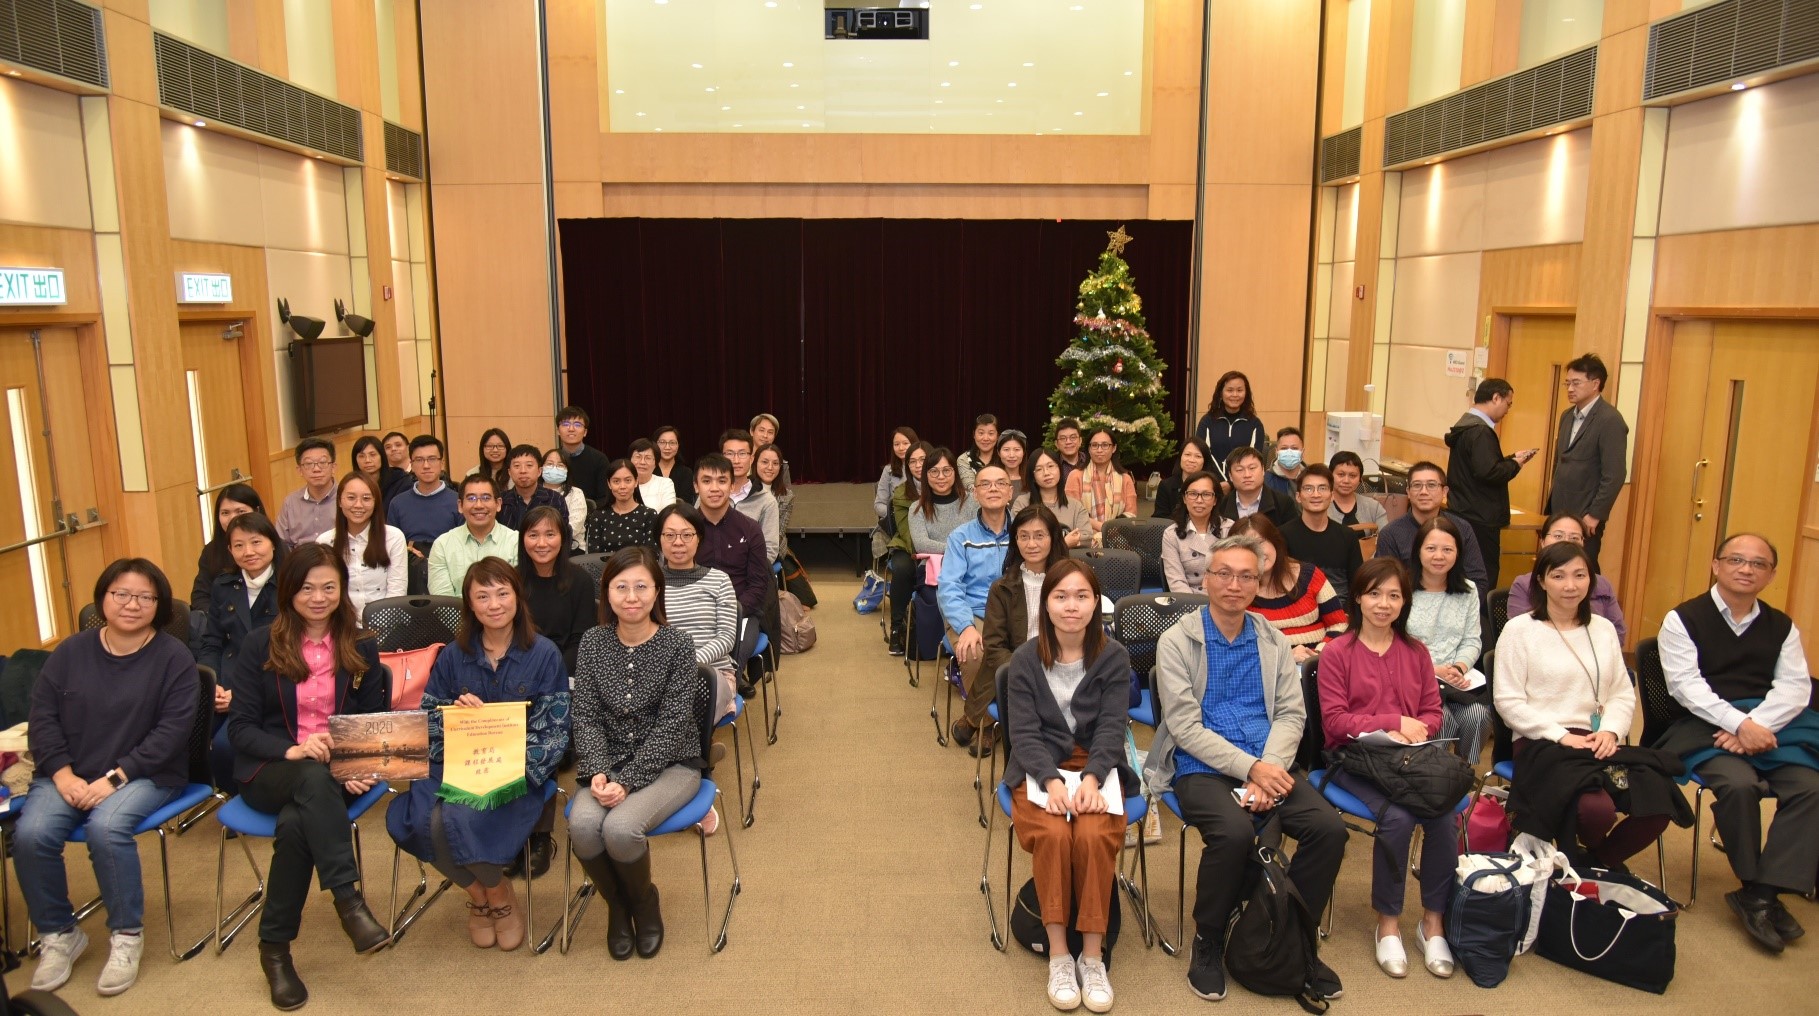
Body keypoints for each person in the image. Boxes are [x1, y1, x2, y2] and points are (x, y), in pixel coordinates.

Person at [1143, 533, 1346, 1003]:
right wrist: (1252, 769)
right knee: (1234, 834)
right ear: (1207, 579)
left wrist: (1269, 768)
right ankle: (1209, 940)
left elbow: (1292, 714)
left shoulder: (1272, 637)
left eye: (1246, 576)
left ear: (1258, 584)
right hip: (1202, 766)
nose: (1234, 584)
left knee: (1328, 830)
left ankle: (1292, 937)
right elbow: (1185, 727)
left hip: (1270, 761)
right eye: (1224, 574)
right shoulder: (1178, 640)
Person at [18, 559, 198, 996]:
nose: (132, 604)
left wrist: (114, 780)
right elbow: (42, 718)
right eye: (121, 594)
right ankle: (60, 934)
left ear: (159, 605)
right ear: (103, 598)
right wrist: (61, 775)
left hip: (147, 774)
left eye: (145, 597)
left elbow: (172, 734)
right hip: (70, 772)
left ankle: (126, 935)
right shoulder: (70, 652)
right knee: (31, 833)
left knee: (106, 826)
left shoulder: (174, 658)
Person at [224, 544, 392, 1009]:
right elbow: (239, 728)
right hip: (270, 770)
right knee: (310, 781)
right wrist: (292, 748)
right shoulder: (261, 643)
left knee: (299, 822)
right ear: (288, 590)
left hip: (329, 774)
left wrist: (354, 764)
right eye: (306, 588)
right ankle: (348, 901)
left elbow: (371, 719)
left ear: (342, 589)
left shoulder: (360, 644)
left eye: (328, 587)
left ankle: (274, 949)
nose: (318, 597)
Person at [386, 557, 569, 952]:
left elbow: (554, 733)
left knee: (457, 817)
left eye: (503, 593)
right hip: (455, 762)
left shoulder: (544, 654)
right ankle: (488, 891)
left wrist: (510, 769)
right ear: (469, 604)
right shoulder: (453, 655)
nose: (494, 603)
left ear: (518, 598)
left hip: (515, 770)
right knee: (420, 821)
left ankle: (497, 900)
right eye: (482, 595)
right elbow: (429, 719)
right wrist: (456, 718)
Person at [1656, 534, 1818, 954]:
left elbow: (1796, 688)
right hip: (1705, 725)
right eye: (1736, 560)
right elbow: (1685, 687)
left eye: (1758, 564)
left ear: (1771, 574)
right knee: (1738, 785)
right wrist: (1738, 724)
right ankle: (1753, 884)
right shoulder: (1682, 618)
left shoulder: (1782, 625)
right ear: (1716, 565)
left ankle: (1761, 894)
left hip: (1772, 725)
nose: (1746, 569)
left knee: (1810, 787)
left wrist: (1756, 725)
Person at [1494, 542, 1681, 870]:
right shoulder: (1520, 631)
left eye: (1580, 575)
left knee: (1659, 799)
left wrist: (1610, 730)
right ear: (1541, 581)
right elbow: (1508, 702)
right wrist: (1560, 735)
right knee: (1596, 810)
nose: (1570, 585)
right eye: (1559, 575)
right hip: (1542, 742)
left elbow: (1622, 693)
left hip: (1598, 741)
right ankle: (1594, 860)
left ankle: (1595, 862)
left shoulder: (1603, 629)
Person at [1001, 559, 1134, 1013]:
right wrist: (1051, 780)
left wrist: (1094, 776)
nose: (1071, 606)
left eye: (1081, 596)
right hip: (1038, 766)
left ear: (1096, 602)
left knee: (1094, 834)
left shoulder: (1113, 656)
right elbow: (1023, 733)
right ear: (1046, 602)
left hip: (1097, 764)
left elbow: (1113, 728)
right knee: (1056, 834)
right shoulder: (1025, 659)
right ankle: (1060, 953)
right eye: (1060, 597)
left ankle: (1092, 956)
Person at [1316, 557, 1456, 980]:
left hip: (1409, 760)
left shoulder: (1416, 652)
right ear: (1357, 598)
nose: (1383, 604)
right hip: (1354, 762)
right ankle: (1388, 923)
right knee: (1397, 818)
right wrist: (1392, 723)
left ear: (1404, 602)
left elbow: (1433, 711)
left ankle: (1433, 921)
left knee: (1445, 815)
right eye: (1374, 594)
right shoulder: (1338, 651)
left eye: (1394, 595)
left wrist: (1417, 730)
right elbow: (1335, 722)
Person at [569, 547, 710, 960]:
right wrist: (597, 769)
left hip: (671, 764)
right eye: (621, 587)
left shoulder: (678, 645)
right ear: (607, 594)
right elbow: (587, 717)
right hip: (606, 764)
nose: (631, 597)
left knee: (619, 829)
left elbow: (673, 727)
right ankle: (618, 906)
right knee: (582, 826)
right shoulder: (593, 642)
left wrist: (627, 781)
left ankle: (644, 904)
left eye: (641, 587)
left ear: (657, 592)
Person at [1404, 516, 1491, 766]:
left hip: (1455, 680)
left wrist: (1459, 667)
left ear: (1458, 553)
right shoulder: (1401, 588)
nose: (1439, 556)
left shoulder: (1469, 590)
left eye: (1447, 549)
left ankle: (1463, 770)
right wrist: (1432, 670)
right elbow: (1393, 644)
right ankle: (1435, 774)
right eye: (1431, 548)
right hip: (1414, 679)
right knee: (1443, 720)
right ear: (1418, 551)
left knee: (1479, 715)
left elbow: (1472, 639)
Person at [940, 464, 1013, 756]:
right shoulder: (960, 537)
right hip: (974, 614)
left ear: (1011, 491)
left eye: (1000, 483)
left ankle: (971, 718)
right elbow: (949, 588)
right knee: (975, 654)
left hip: (1014, 615)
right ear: (975, 493)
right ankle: (988, 725)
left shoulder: (1025, 533)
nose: (993, 489)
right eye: (985, 484)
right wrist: (966, 626)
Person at [1444, 378, 1537, 590]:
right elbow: (1489, 472)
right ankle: (1482, 622)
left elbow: (1480, 466)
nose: (1508, 410)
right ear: (1496, 398)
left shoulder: (1466, 426)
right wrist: (1516, 465)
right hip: (1480, 517)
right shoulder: (1480, 431)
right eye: (1508, 403)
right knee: (1483, 576)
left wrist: (1511, 458)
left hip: (1463, 510)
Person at [655, 503, 740, 723]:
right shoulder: (649, 582)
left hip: (712, 673)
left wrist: (688, 662)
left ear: (699, 538)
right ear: (659, 539)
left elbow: (727, 637)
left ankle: (689, 754)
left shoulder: (719, 580)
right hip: (660, 672)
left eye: (686, 535)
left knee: (680, 704)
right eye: (670, 535)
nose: (678, 542)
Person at [1546, 353, 1628, 573]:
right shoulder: (1566, 416)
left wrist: (1595, 514)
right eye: (1567, 383)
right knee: (1555, 566)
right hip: (1560, 510)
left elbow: (1615, 474)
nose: (1570, 388)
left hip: (1585, 513)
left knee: (1583, 567)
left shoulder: (1610, 420)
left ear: (1595, 384)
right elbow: (1560, 463)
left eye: (1576, 383)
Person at [1231, 514, 1346, 663]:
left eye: (1260, 542)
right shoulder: (1236, 589)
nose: (1257, 552)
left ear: (1274, 541)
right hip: (1270, 673)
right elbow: (1237, 647)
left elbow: (1339, 624)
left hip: (1320, 664)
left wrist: (1318, 654)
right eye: (1248, 546)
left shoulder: (1309, 575)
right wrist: (1286, 659)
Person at [980, 505, 1071, 689]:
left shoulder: (1071, 583)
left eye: (1039, 536)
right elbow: (994, 648)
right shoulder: (1001, 588)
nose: (1031, 544)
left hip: (1065, 669)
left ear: (1053, 538)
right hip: (1017, 673)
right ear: (1015, 540)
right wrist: (1029, 671)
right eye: (1024, 536)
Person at [1370, 461, 1489, 593]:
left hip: (1455, 605)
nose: (1424, 492)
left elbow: (1478, 581)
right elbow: (1384, 584)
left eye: (1431, 485)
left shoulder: (1462, 528)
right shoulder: (1391, 533)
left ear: (1444, 491)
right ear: (1408, 492)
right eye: (1417, 485)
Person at [1506, 514, 1626, 635]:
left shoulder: (1601, 584)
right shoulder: (1524, 584)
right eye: (1558, 536)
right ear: (1542, 541)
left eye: (1574, 538)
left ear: (1583, 544)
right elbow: (1521, 634)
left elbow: (1617, 633)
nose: (1566, 542)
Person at [198, 512, 285, 675]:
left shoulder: (291, 583)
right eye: (239, 545)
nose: (248, 552)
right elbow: (212, 642)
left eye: (256, 542)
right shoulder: (223, 586)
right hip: (231, 674)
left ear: (273, 543)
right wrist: (212, 683)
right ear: (230, 550)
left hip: (276, 675)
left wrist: (243, 691)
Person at [316, 472, 407, 621]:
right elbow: (325, 593)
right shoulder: (325, 542)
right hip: (341, 625)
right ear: (340, 501)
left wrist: (378, 629)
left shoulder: (393, 537)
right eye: (351, 498)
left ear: (375, 502)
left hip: (387, 623)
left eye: (366, 498)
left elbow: (397, 591)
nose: (358, 505)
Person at [518, 506, 595, 674]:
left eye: (550, 534)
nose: (541, 543)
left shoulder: (582, 580)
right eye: (533, 535)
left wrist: (553, 673)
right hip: (520, 669)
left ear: (562, 539)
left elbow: (581, 641)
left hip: (565, 671)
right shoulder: (512, 580)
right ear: (523, 540)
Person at [692, 453, 769, 620]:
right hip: (694, 611)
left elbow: (758, 584)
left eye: (722, 481)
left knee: (742, 646)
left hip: (740, 611)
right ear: (696, 486)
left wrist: (734, 611)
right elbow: (674, 579)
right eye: (706, 481)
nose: (714, 488)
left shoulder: (750, 529)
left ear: (732, 486)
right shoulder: (684, 530)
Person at [1280, 464, 1363, 604]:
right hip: (1300, 614)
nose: (1316, 494)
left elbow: (1357, 584)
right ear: (1298, 496)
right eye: (1308, 488)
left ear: (1332, 496)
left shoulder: (1348, 536)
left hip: (1342, 614)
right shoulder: (1283, 535)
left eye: (1322, 488)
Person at [428, 474, 520, 597]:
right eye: (471, 498)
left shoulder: (516, 542)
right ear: (460, 505)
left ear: (498, 504)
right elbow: (444, 602)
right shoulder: (442, 545)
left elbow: (518, 594)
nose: (478, 505)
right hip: (458, 616)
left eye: (486, 498)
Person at [884, 441, 931, 656]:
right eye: (912, 461)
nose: (918, 465)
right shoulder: (901, 493)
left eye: (922, 459)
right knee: (903, 568)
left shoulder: (945, 486)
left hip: (939, 547)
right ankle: (896, 627)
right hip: (908, 545)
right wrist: (924, 554)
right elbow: (907, 532)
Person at [192, 483, 265, 613]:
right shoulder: (211, 550)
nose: (232, 518)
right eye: (225, 513)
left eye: (240, 511)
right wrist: (221, 619)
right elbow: (200, 597)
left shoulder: (273, 544)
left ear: (257, 511)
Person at [390, 435, 463, 558]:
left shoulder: (458, 502)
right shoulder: (398, 503)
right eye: (419, 460)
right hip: (409, 567)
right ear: (411, 465)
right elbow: (391, 545)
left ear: (442, 463)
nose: (426, 465)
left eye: (432, 459)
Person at [1193, 370, 1266, 493]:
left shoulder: (1255, 424)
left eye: (1239, 390)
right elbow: (1202, 454)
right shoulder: (1207, 421)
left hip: (1243, 487)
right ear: (1221, 393)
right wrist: (1218, 483)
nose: (1235, 395)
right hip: (1211, 486)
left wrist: (1231, 484)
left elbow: (1255, 460)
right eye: (1230, 390)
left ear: (1246, 393)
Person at [1064, 429, 1137, 544]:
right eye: (1094, 445)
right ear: (1088, 448)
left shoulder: (1125, 478)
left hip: (1119, 539)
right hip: (1084, 540)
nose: (1099, 450)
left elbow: (1131, 514)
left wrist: (1110, 530)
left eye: (1105, 445)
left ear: (1114, 448)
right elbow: (1073, 513)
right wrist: (1103, 527)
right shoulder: (1075, 476)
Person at [1161, 471, 1228, 594]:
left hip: (1223, 598)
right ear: (1184, 498)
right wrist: (1194, 608)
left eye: (1206, 494)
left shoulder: (1229, 529)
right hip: (1189, 601)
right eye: (1193, 494)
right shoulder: (1171, 534)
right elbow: (1176, 582)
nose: (1199, 500)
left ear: (1215, 500)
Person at [720, 429, 780, 563]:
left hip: (748, 575)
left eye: (742, 454)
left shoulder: (766, 501)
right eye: (729, 454)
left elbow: (770, 550)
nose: (736, 460)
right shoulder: (709, 495)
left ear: (751, 458)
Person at [1012, 447, 1090, 549]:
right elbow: (1018, 538)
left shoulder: (1075, 506)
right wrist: (1063, 543)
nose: (1046, 473)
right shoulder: (1022, 503)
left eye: (1051, 466)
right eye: (1039, 469)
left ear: (1060, 470)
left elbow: (1087, 539)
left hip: (1068, 563)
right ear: (1032, 476)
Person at [909, 447, 976, 561]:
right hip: (932, 568)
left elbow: (978, 539)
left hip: (969, 564)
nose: (941, 476)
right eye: (934, 471)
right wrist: (959, 548)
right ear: (926, 475)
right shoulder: (917, 508)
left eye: (946, 470)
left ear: (955, 472)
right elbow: (921, 545)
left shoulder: (972, 501)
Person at [275, 438, 338, 549]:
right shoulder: (290, 502)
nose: (316, 469)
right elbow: (281, 544)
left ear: (333, 467)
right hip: (300, 562)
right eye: (309, 464)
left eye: (323, 462)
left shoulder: (347, 498)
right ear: (300, 470)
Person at [588, 458, 660, 555]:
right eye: (616, 481)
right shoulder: (598, 515)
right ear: (609, 484)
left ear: (636, 482)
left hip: (639, 569)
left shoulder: (649, 515)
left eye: (628, 480)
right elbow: (593, 557)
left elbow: (652, 555)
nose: (622, 486)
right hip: (606, 569)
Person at [1216, 447, 1294, 528]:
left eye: (1252, 468)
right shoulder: (1220, 506)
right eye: (1239, 470)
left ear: (1263, 470)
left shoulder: (1284, 504)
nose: (1247, 475)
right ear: (1230, 476)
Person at [498, 443, 567, 532]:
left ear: (539, 471)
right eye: (517, 466)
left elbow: (562, 534)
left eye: (529, 465)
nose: (523, 471)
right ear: (509, 472)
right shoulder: (500, 500)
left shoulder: (556, 499)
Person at [1328, 451, 1387, 537]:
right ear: (1330, 475)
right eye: (1341, 474)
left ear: (1360, 479)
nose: (1346, 481)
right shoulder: (1320, 504)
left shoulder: (1373, 507)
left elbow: (1386, 541)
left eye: (1352, 476)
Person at [541, 447, 589, 551]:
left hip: (571, 547)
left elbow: (573, 528)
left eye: (560, 465)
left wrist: (549, 537)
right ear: (541, 468)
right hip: (539, 545)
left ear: (567, 470)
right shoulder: (534, 492)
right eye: (549, 464)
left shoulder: (576, 493)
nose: (554, 468)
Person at [557, 406, 609, 503]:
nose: (571, 429)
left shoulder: (599, 459)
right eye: (565, 424)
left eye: (577, 424)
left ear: (585, 432)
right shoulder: (551, 459)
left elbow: (604, 497)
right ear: (558, 431)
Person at [1151, 438, 1211, 520]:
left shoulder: (1211, 486)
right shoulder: (1166, 485)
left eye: (1198, 456)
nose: (1191, 460)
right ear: (1180, 457)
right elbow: (1160, 519)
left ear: (1205, 461)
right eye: (1187, 455)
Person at [874, 427, 919, 526]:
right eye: (896, 444)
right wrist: (898, 515)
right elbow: (878, 505)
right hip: (897, 522)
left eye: (905, 443)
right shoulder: (888, 471)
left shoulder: (926, 468)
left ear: (914, 444)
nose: (901, 448)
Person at [754, 443, 794, 553]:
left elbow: (779, 533)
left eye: (775, 463)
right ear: (755, 462)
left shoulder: (787, 496)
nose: (770, 467)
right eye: (764, 462)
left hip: (771, 549)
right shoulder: (744, 490)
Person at [652, 426, 696, 507]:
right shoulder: (649, 471)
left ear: (678, 445)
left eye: (672, 443)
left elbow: (686, 503)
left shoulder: (686, 473)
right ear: (655, 444)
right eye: (662, 442)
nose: (667, 447)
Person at [628, 438, 677, 510]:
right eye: (638, 457)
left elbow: (669, 514)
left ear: (655, 463)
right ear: (630, 460)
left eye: (648, 458)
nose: (642, 462)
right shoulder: (622, 484)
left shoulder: (665, 484)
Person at [748, 413, 794, 490]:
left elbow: (786, 494)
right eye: (761, 430)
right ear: (752, 431)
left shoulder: (782, 464)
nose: (765, 436)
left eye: (770, 432)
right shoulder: (739, 460)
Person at [957, 413, 1000, 492]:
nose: (985, 438)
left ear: (997, 436)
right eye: (981, 433)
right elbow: (971, 489)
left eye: (991, 433)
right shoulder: (964, 459)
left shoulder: (1003, 457)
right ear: (974, 435)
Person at [1263, 427, 1305, 497]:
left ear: (1302, 452)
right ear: (1276, 452)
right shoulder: (1265, 481)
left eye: (1294, 448)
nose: (1289, 452)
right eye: (1284, 448)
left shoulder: (1312, 478)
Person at [470, 428, 512, 492]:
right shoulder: (472, 473)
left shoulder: (514, 472)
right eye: (489, 446)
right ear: (482, 449)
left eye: (500, 446)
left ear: (507, 448)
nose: (495, 450)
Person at [1053, 418, 1089, 489]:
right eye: (1063, 438)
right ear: (1056, 444)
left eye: (1073, 437)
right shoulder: (1052, 465)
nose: (1068, 442)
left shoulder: (1090, 461)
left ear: (1080, 441)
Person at [994, 430, 1029, 501]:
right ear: (998, 452)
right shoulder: (991, 478)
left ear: (1023, 452)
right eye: (1006, 450)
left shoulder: (1031, 479)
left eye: (1017, 450)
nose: (1011, 455)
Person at [380, 431, 413, 501]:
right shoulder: (383, 478)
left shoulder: (419, 471)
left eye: (398, 445)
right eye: (388, 447)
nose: (393, 449)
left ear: (408, 447)